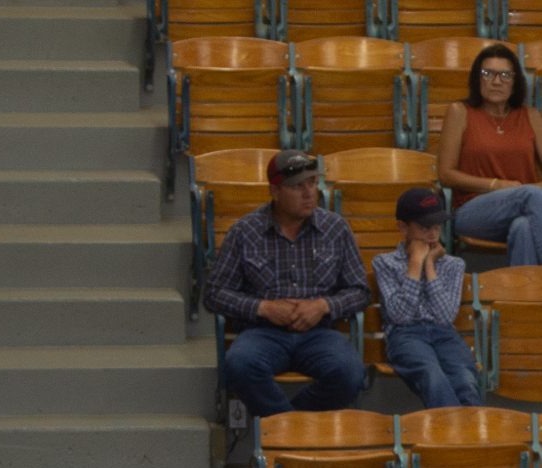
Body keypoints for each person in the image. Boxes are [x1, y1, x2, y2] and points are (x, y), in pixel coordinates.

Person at [204, 149, 371, 424]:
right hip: (263, 332)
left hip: (319, 332)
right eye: (297, 187)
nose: (309, 193)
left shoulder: (335, 228)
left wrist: (323, 306)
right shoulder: (245, 231)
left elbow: (360, 291)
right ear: (275, 191)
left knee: (350, 373)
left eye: (312, 183)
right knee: (240, 365)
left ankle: (286, 427)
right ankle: (291, 429)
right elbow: (214, 294)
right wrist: (263, 308)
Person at [435, 42, 542, 269]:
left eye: (505, 75)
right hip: (473, 210)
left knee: (524, 227)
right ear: (477, 79)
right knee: (529, 195)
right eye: (488, 73)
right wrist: (496, 185)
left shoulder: (530, 116)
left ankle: (522, 300)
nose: (496, 81)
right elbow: (445, 174)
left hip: (525, 204)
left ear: (515, 81)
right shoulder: (460, 112)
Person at [369, 186, 480, 408]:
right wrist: (415, 264)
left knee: (465, 380)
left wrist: (429, 266)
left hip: (444, 334)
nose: (432, 234)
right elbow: (400, 316)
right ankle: (456, 438)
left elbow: (444, 316)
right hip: (405, 336)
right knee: (432, 376)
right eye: (424, 227)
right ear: (402, 227)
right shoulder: (384, 263)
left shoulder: (453, 264)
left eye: (437, 227)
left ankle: (469, 438)